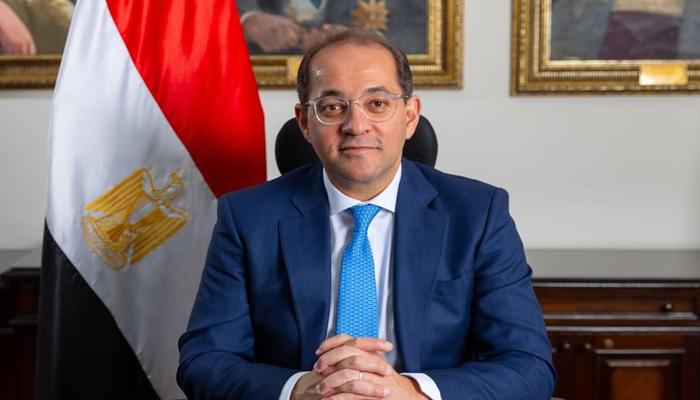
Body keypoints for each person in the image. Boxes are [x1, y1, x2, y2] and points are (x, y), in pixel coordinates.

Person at [178, 29, 555, 399]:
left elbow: (529, 365)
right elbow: (204, 360)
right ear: (305, 122)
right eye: (332, 107)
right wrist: (298, 390)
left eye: (377, 104)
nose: (356, 126)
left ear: (410, 115)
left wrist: (414, 393)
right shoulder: (247, 217)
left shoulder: (477, 214)